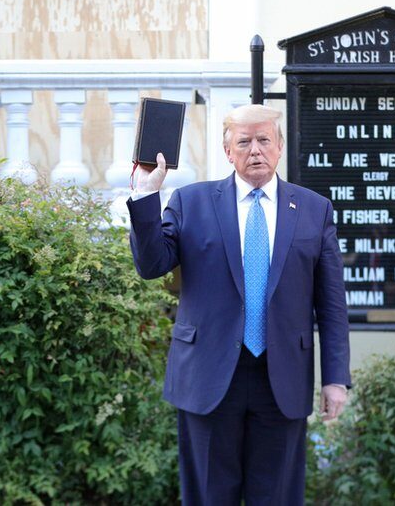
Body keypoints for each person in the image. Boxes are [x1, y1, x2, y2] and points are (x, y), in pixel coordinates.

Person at [127, 104, 351, 505]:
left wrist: (335, 378)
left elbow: (331, 304)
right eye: (244, 142)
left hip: (281, 378)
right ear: (228, 152)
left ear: (280, 147)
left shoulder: (315, 210)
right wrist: (147, 195)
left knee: (278, 497)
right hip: (209, 377)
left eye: (264, 140)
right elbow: (151, 265)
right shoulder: (190, 202)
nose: (256, 150)